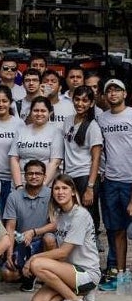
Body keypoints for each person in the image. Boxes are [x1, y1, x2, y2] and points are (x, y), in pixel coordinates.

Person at [25, 175, 99, 301]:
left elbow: (63, 252)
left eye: (64, 188)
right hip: (68, 272)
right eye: (56, 188)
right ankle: (80, 295)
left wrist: (32, 258)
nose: (60, 192)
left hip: (86, 273)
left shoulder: (80, 215)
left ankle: (74, 299)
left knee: (37, 264)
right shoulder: (63, 214)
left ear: (73, 192)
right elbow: (54, 225)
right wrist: (34, 231)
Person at [62, 86, 103, 260]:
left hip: (85, 177)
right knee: (72, 219)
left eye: (85, 100)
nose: (80, 103)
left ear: (91, 102)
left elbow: (96, 158)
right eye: (77, 99)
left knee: (89, 220)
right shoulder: (68, 120)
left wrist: (90, 187)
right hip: (70, 177)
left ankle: (91, 262)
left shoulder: (93, 126)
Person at [1, 159, 56, 290]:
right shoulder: (14, 196)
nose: (34, 176)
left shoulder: (51, 194)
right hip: (22, 244)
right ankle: (30, 274)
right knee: (7, 274)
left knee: (50, 238)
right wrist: (8, 254)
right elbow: (10, 227)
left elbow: (55, 224)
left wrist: (34, 231)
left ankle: (45, 274)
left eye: (38, 174)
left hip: (43, 243)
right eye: (30, 173)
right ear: (24, 176)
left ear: (44, 176)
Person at [98, 79, 132, 286]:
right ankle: (121, 276)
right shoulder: (102, 119)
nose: (112, 93)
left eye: (116, 90)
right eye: (108, 91)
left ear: (125, 94)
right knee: (116, 230)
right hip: (111, 181)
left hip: (130, 180)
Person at [9, 97, 64, 190]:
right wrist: (19, 186)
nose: (39, 114)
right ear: (30, 112)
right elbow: (13, 159)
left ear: (49, 112)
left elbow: (54, 162)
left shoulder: (56, 132)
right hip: (20, 185)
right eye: (36, 110)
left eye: (43, 111)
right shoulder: (21, 130)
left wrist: (41, 187)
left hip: (45, 186)